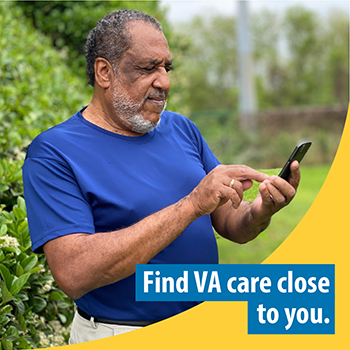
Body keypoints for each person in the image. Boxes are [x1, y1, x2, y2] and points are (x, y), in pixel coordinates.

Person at [22, 10, 300, 344]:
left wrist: (261, 210)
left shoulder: (182, 129)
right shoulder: (54, 152)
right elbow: (74, 272)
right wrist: (190, 205)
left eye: (166, 68)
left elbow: (229, 223)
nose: (164, 81)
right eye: (147, 68)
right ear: (104, 72)